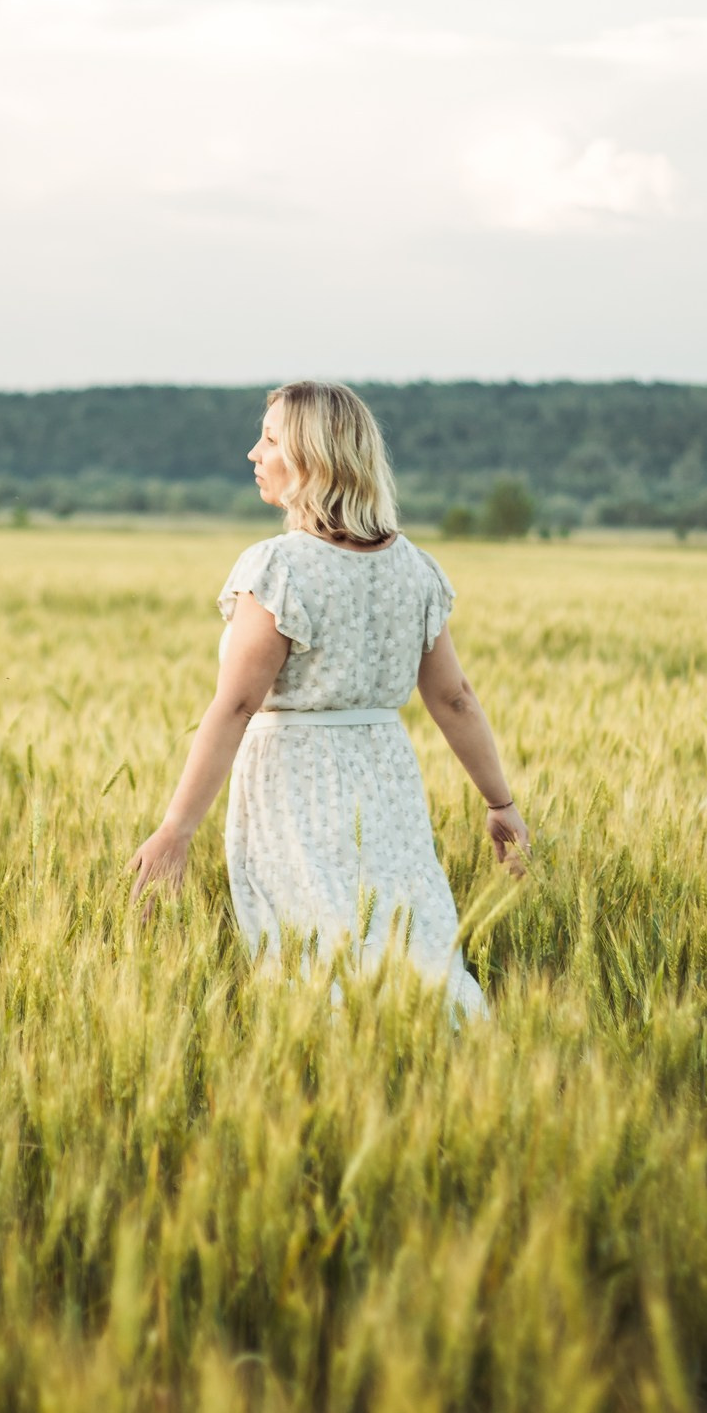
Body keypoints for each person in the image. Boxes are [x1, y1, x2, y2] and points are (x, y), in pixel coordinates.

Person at [128, 381, 529, 1017]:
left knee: (310, 948)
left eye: (270, 439)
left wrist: (177, 830)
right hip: (388, 781)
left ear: (314, 457)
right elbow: (454, 699)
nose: (252, 452)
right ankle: (445, 1052)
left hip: (295, 782)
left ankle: (342, 1074)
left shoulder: (279, 568)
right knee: (406, 934)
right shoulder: (415, 568)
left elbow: (236, 707)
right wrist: (500, 802)